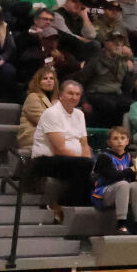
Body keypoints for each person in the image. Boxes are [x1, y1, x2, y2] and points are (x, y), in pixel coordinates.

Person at [31, 80, 94, 223]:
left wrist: (89, 161)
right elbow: (59, 148)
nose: (74, 97)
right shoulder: (52, 113)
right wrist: (84, 161)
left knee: (91, 168)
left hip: (72, 161)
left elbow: (84, 143)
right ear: (61, 95)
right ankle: (66, 207)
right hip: (46, 160)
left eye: (77, 94)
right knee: (84, 166)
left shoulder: (79, 114)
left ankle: (79, 213)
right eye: (70, 93)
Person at [91, 126, 137, 234]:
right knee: (123, 184)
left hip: (121, 193)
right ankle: (121, 224)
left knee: (136, 186)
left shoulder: (129, 157)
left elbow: (131, 177)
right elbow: (113, 177)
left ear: (127, 141)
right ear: (108, 142)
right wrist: (131, 170)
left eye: (123, 138)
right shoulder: (104, 157)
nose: (120, 141)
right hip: (103, 194)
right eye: (115, 138)